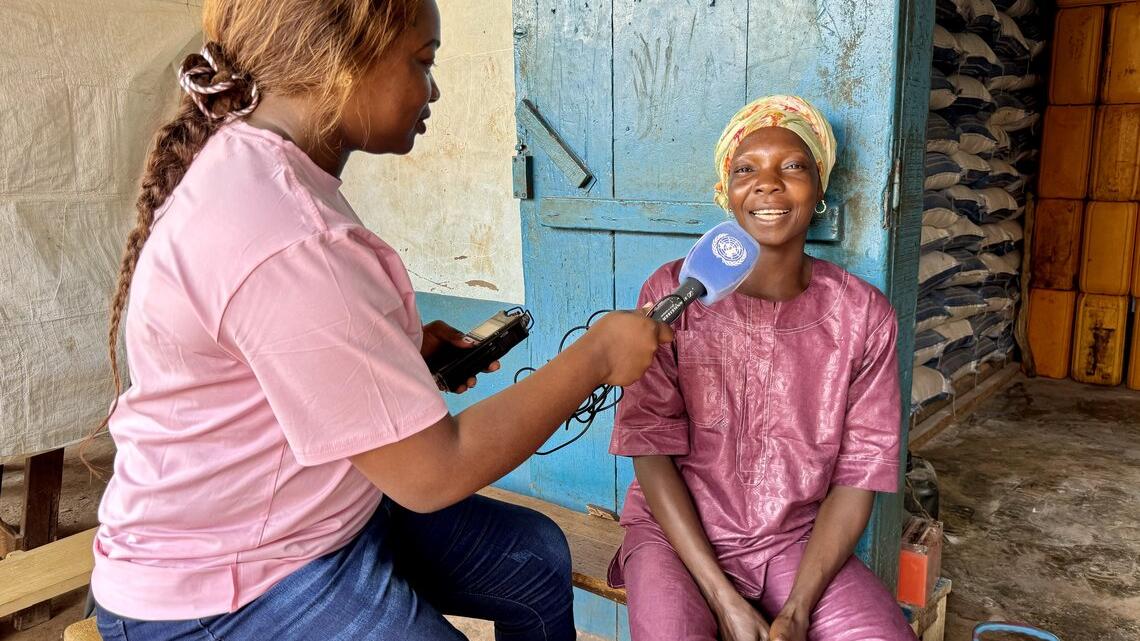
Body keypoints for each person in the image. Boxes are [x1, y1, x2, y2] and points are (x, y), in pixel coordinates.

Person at [88, 1, 671, 639]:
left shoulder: (258, 169)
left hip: (316, 514)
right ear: (341, 62)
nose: (433, 90)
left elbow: (280, 356)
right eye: (422, 61)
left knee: (531, 559)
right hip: (225, 580)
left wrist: (394, 357)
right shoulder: (290, 236)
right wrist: (595, 357)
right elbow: (435, 473)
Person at [607, 95, 917, 641]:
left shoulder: (863, 315)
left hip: (793, 542)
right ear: (725, 192)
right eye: (746, 169)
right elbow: (649, 447)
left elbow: (858, 474)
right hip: (674, 536)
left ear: (819, 188)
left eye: (792, 166)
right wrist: (723, 599)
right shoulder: (673, 293)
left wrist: (797, 611)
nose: (768, 184)